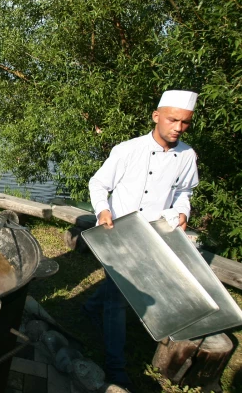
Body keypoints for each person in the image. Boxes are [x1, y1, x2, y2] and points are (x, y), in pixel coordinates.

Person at [82, 90, 200, 388]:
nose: (178, 127)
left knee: (122, 289)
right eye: (173, 119)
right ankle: (115, 366)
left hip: (156, 234)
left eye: (185, 122)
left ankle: (90, 307)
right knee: (118, 300)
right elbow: (98, 183)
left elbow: (185, 191)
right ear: (156, 116)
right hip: (120, 231)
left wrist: (183, 212)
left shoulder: (186, 156)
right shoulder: (127, 150)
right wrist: (102, 210)